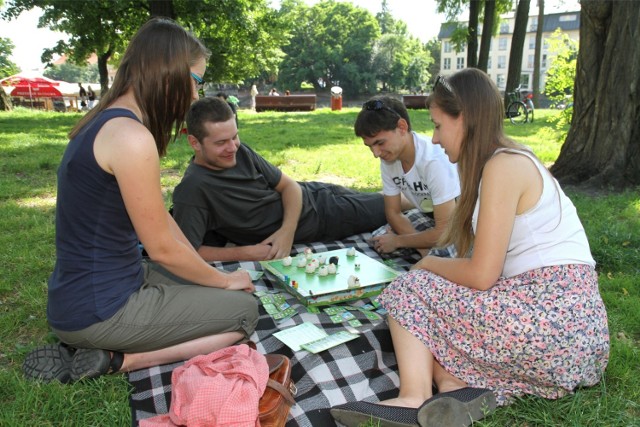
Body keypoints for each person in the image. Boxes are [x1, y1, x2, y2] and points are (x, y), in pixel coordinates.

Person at [331, 69, 609, 427]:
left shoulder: (503, 167)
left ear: (463, 118)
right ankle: (454, 388)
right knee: (435, 299)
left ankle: (413, 398)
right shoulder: (512, 159)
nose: (434, 137)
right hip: (578, 335)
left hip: (550, 323)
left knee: (409, 289)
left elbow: (480, 274)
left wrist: (427, 267)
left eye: (437, 125)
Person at [22, 18, 258, 384]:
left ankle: (107, 348)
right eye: (195, 82)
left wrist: (210, 275)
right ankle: (120, 360)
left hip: (96, 290)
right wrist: (224, 283)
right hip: (101, 311)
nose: (196, 96)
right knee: (245, 311)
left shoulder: (105, 122)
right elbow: (161, 248)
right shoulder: (131, 137)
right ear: (168, 73)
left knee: (208, 281)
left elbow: (163, 222)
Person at [172, 96, 390, 262]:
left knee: (396, 204)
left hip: (315, 201)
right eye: (221, 143)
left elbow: (289, 186)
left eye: (235, 136)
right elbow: (189, 251)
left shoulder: (241, 152)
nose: (232, 147)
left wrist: (286, 232)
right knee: (389, 206)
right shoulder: (192, 189)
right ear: (194, 143)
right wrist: (245, 252)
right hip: (322, 217)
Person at [354, 95, 460, 258]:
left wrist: (398, 241)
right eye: (370, 146)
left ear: (402, 127)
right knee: (378, 239)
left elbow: (444, 232)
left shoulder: (432, 161)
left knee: (447, 255)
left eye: (380, 143)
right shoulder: (389, 159)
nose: (376, 154)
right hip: (430, 218)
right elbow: (393, 212)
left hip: (459, 225)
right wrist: (423, 250)